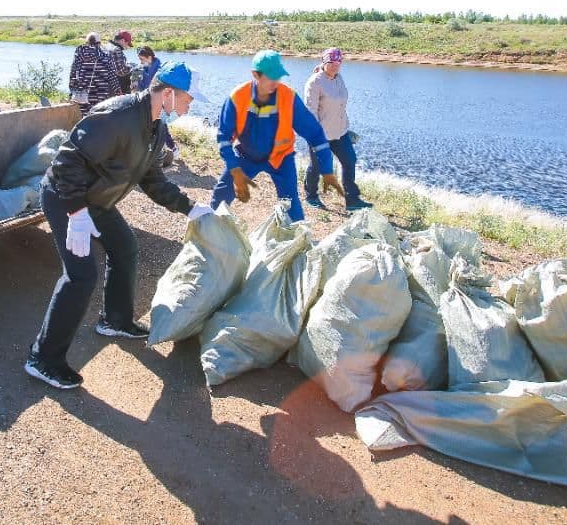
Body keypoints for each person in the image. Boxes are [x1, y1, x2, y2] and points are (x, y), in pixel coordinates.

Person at [26, 62, 212, 389]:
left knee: (125, 247)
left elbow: (153, 179)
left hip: (96, 200)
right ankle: (43, 359)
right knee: (81, 276)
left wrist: (191, 208)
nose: (190, 104)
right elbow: (66, 162)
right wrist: (76, 213)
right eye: (188, 98)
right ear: (167, 93)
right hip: (65, 197)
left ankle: (115, 320)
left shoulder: (154, 128)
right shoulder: (117, 116)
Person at [211, 50, 342, 223]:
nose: (276, 82)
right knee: (221, 194)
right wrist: (234, 168)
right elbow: (223, 138)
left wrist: (327, 170)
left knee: (291, 205)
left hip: (281, 159)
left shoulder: (288, 97)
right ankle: (206, 232)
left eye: (278, 76)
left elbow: (315, 134)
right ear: (255, 74)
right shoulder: (237, 97)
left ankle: (299, 240)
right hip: (245, 157)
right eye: (271, 77)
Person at [303, 48, 372, 211]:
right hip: (321, 135)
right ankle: (311, 196)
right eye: (331, 63)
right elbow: (310, 111)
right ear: (324, 62)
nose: (335, 66)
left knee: (350, 161)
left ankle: (352, 200)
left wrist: (346, 127)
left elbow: (340, 104)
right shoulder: (314, 82)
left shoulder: (339, 78)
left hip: (340, 132)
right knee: (317, 166)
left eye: (338, 63)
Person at [138, 46, 177, 157]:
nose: (140, 62)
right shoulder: (146, 68)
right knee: (151, 126)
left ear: (149, 57)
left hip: (159, 102)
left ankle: (173, 148)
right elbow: (144, 85)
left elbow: (163, 88)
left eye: (142, 59)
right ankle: (156, 149)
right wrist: (137, 85)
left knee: (161, 125)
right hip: (148, 101)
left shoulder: (160, 70)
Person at [68, 33, 119, 115]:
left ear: (86, 41)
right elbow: (112, 75)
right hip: (101, 93)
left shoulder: (79, 53)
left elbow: (73, 72)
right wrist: (117, 90)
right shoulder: (106, 54)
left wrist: (72, 90)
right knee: (98, 116)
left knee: (84, 115)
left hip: (83, 93)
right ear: (99, 43)